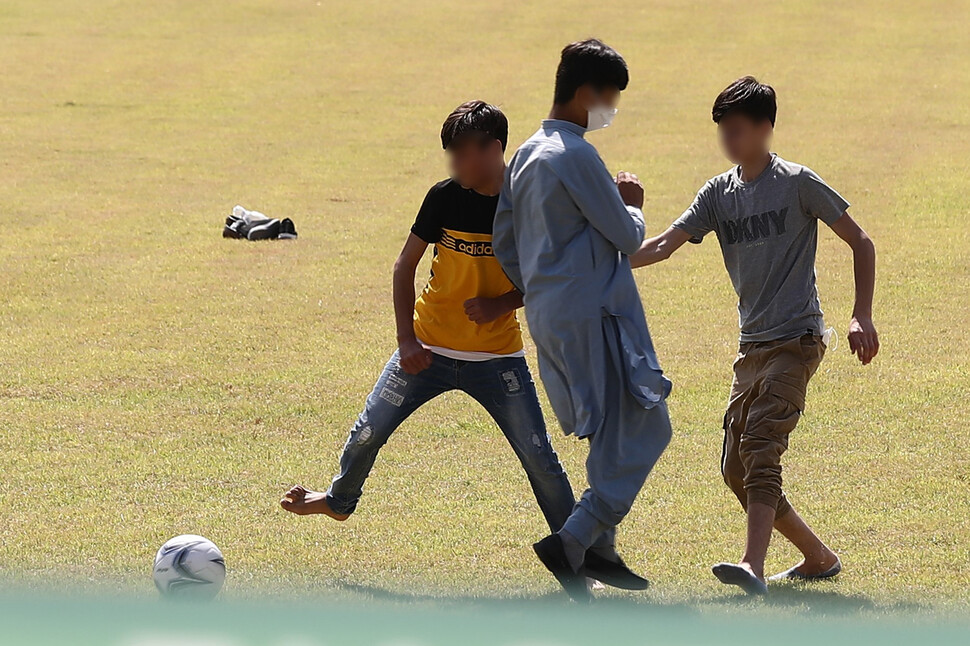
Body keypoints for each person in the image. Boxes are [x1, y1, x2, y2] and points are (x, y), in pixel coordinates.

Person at [279, 101, 629, 592]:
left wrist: (503, 302)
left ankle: (577, 565)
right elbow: (405, 266)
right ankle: (338, 502)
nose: (453, 165)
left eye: (460, 154)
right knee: (365, 433)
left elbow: (555, 275)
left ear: (493, 149)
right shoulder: (444, 197)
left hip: (497, 360)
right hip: (427, 351)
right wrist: (406, 341)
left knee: (542, 464)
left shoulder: (528, 202)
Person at [630, 76, 879, 595]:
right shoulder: (718, 194)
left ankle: (753, 565)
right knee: (735, 468)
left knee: (762, 449)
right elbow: (663, 246)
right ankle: (817, 556)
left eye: (738, 130)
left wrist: (861, 315)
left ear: (766, 128)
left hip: (797, 340)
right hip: (752, 346)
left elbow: (860, 241)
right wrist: (605, 260)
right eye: (723, 131)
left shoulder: (797, 182)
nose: (729, 140)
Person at [493, 39, 673, 603]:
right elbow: (627, 234)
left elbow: (504, 239)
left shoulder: (524, 154)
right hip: (593, 313)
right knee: (648, 425)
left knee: (606, 429)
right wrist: (634, 201)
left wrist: (542, 283)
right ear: (586, 93)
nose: (611, 109)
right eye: (610, 96)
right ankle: (573, 539)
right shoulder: (575, 154)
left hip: (548, 313)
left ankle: (603, 549)